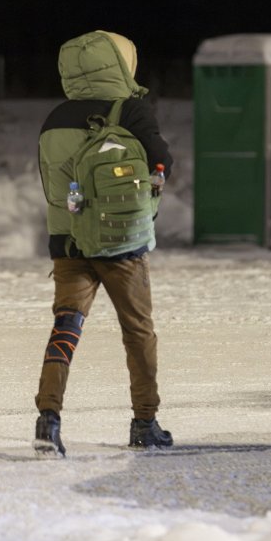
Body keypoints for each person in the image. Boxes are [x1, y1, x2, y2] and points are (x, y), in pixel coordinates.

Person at [33, 30, 174, 456]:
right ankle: (145, 422)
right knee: (138, 332)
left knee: (67, 325)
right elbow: (161, 159)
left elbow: (50, 186)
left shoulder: (54, 118)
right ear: (119, 64)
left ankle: (48, 418)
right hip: (121, 244)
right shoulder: (130, 110)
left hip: (68, 243)